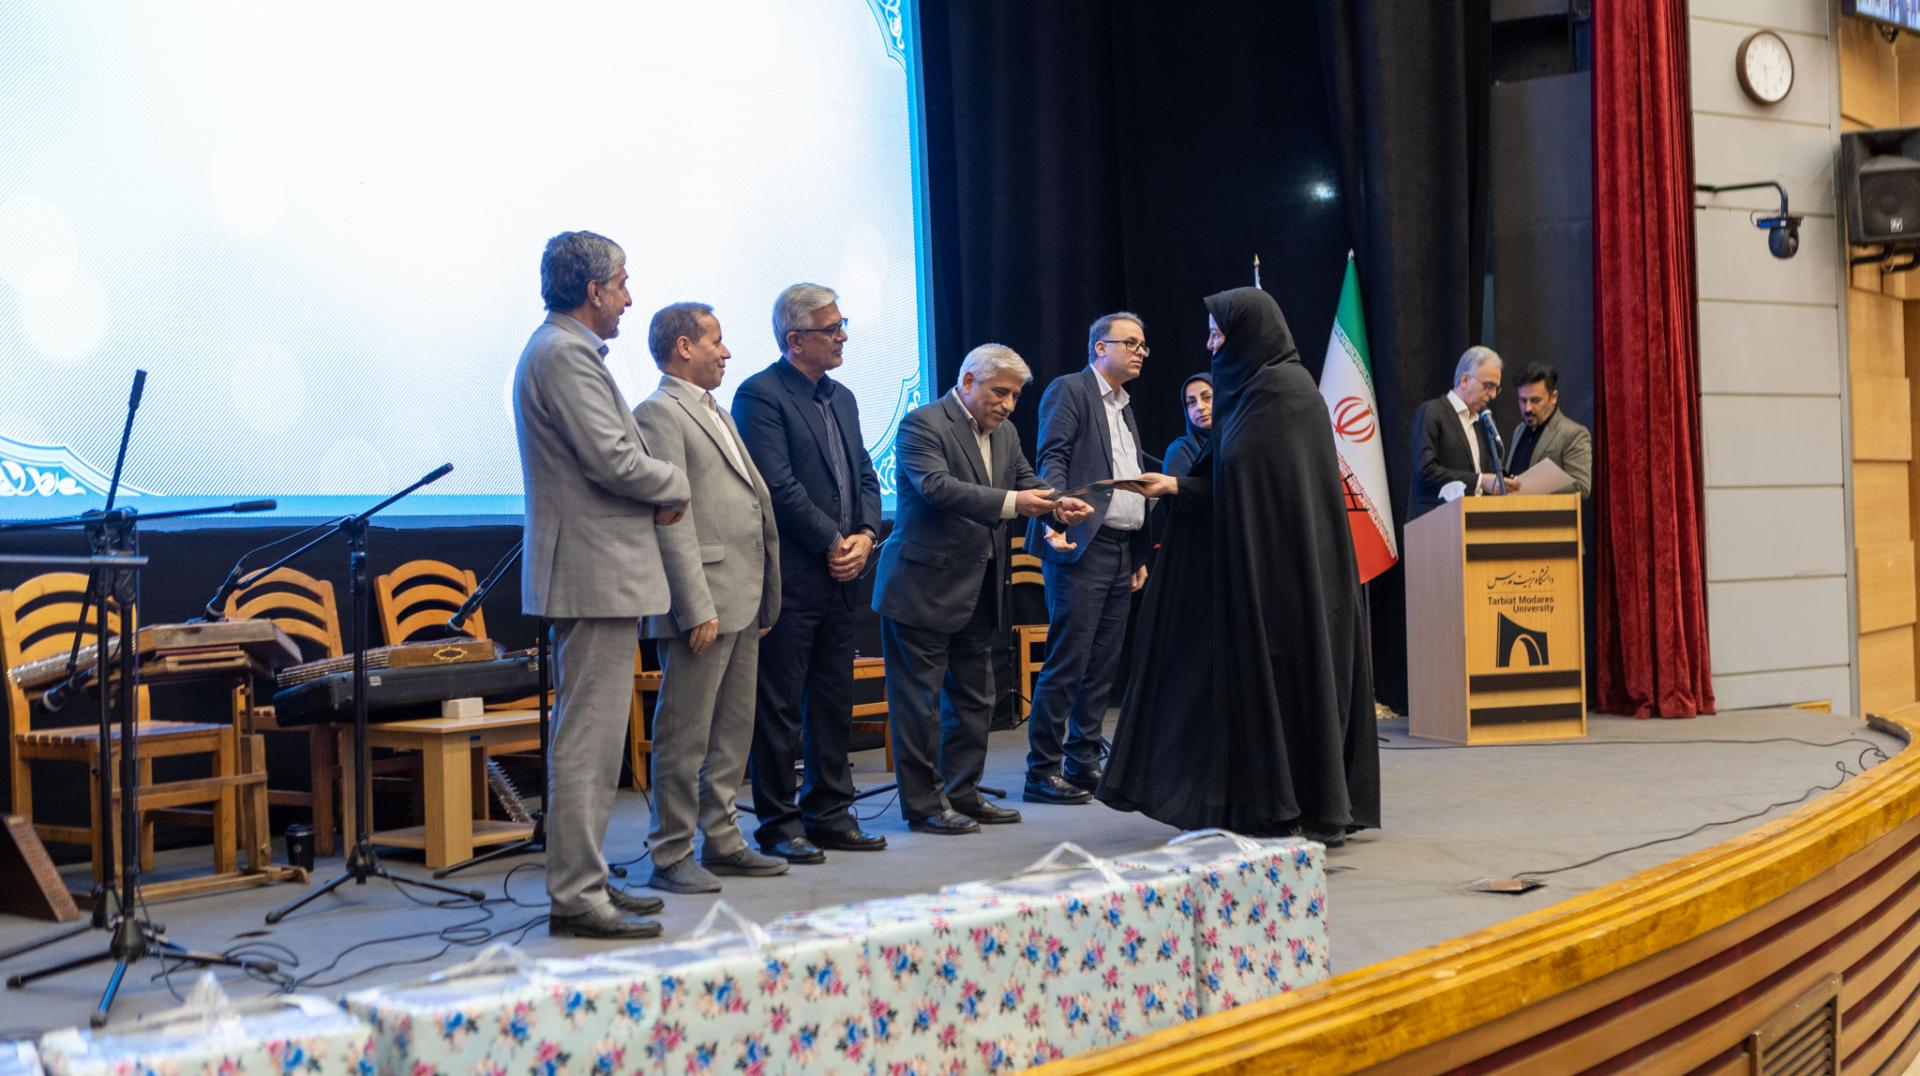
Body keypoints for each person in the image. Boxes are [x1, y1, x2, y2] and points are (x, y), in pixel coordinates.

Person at [1101, 287, 1379, 845]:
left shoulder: (1285, 393)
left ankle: (1303, 804)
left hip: (1289, 580)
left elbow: (1258, 487)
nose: (1209, 344)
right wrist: (1176, 486)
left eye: (1217, 333)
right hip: (1261, 572)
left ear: (1249, 333)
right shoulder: (1248, 395)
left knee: (1290, 683)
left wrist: (1179, 486)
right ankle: (1262, 801)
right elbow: (1236, 483)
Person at [513, 231, 688, 939]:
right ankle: (578, 894)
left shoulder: (565, 349)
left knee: (591, 735)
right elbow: (613, 459)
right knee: (587, 739)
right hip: (592, 571)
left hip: (597, 568)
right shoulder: (563, 353)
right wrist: (676, 484)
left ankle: (586, 876)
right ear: (592, 291)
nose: (629, 298)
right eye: (621, 284)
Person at [872, 344, 1093, 835]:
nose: (1009, 405)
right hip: (921, 587)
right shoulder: (922, 424)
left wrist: (1059, 506)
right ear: (968, 381)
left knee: (975, 700)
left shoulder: (1006, 433)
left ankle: (964, 793)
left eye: (1015, 396)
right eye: (1000, 392)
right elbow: (938, 488)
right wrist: (1018, 502)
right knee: (920, 706)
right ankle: (925, 806)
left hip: (980, 587)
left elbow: (1028, 481)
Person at [632, 303, 786, 894]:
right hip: (703, 602)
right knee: (684, 733)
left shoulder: (715, 410)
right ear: (683, 347)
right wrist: (694, 605)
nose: (726, 352)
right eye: (715, 341)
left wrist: (763, 593)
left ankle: (722, 841)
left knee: (731, 732)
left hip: (742, 595)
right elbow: (670, 515)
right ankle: (670, 852)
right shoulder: (659, 412)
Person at [733, 284, 887, 865]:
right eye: (832, 328)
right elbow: (776, 485)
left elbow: (866, 474)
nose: (843, 336)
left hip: (843, 573)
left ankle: (830, 813)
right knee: (778, 705)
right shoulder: (760, 395)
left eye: (843, 325)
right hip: (791, 575)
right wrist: (832, 540)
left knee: (832, 697)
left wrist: (866, 535)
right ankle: (779, 823)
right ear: (796, 340)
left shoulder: (842, 397)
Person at [1020, 312, 1155, 806]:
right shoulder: (1071, 390)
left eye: (1143, 346)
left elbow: (1127, 477)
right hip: (1081, 544)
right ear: (1101, 347)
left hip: (1120, 548)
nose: (1141, 352)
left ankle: (1083, 760)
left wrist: (1137, 552)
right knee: (1069, 659)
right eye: (1131, 343)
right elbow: (1052, 456)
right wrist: (1055, 514)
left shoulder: (1124, 405)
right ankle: (1042, 770)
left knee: (1102, 664)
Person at [1407, 345, 1512, 521]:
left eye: (1496, 388)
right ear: (1464, 380)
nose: (1493, 395)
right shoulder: (1431, 412)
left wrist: (1504, 483)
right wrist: (1480, 481)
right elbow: (1425, 471)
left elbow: (1482, 472)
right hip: (1435, 524)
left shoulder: (1480, 423)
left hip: (1473, 523)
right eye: (1488, 386)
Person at [1505, 363, 1593, 498]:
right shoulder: (1519, 430)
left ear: (1553, 397)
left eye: (1535, 400)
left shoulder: (1574, 434)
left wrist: (1530, 490)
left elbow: (1581, 487)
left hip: (1546, 512)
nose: (1527, 408)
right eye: (1523, 400)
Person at [1163, 372, 1213, 479]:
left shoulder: (1238, 440)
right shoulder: (1180, 451)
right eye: (1191, 402)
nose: (1200, 407)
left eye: (1207, 397)